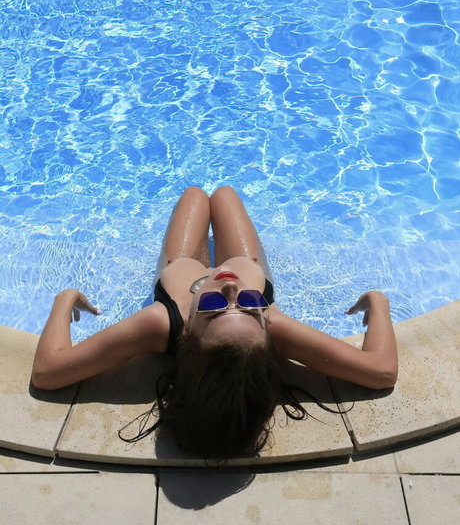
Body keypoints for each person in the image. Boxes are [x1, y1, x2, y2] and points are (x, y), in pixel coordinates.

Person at [32, 186, 398, 458]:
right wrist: (378, 303)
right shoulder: (272, 326)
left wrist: (64, 300)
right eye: (251, 304)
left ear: (188, 332)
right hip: (245, 261)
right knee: (224, 195)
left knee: (194, 195)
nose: (232, 288)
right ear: (265, 327)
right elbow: (380, 371)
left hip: (181, 268)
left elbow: (48, 373)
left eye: (212, 305)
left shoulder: (159, 322)